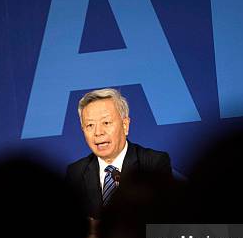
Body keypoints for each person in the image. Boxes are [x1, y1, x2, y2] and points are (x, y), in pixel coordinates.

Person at [66, 88, 172, 219]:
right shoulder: (76, 172)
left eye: (106, 122)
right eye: (90, 125)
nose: (98, 132)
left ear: (125, 125)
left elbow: (163, 218)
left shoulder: (153, 163)